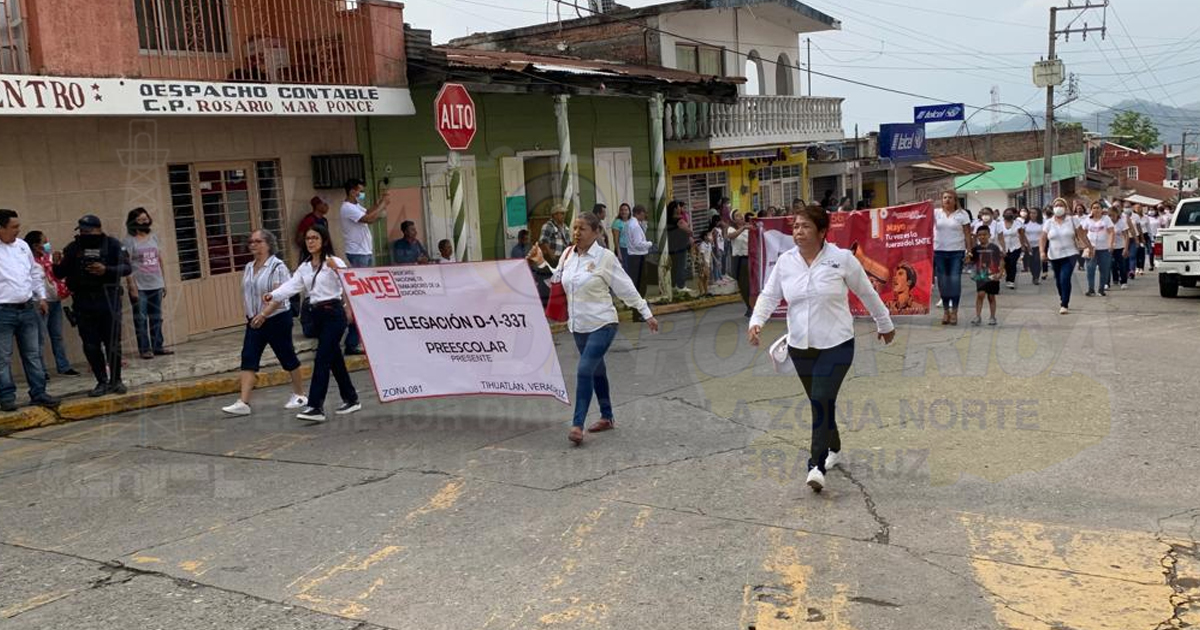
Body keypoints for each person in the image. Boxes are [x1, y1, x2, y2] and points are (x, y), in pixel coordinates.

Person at [747, 205, 895, 493]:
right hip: (800, 346)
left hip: (837, 344)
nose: (799, 232)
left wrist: (884, 323)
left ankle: (815, 465)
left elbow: (866, 291)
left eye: (805, 227)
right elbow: (769, 295)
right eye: (796, 227)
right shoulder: (786, 262)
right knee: (821, 401)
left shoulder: (842, 260)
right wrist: (756, 322)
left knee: (820, 398)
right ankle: (834, 446)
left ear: (822, 232)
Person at [527, 212, 659, 446]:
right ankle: (607, 417)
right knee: (597, 370)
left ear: (596, 232)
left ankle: (577, 424)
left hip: (603, 323)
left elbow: (625, 287)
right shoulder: (568, 254)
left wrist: (645, 312)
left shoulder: (605, 258)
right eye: (574, 228)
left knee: (585, 369)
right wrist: (540, 262)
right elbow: (557, 280)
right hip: (579, 326)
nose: (576, 233)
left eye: (582, 229)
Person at [264, 224, 360, 423]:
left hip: (334, 314)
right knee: (334, 359)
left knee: (322, 359)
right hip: (316, 316)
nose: (310, 242)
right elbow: (292, 286)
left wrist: (350, 309)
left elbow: (349, 283)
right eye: (308, 238)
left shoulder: (333, 262)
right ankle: (351, 398)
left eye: (315, 238)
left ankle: (315, 406)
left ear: (324, 240)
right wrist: (273, 295)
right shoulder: (305, 266)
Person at [221, 229, 308, 416]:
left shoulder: (278, 267)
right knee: (248, 357)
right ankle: (243, 402)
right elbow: (247, 292)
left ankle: (300, 394)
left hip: (276, 318)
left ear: (268, 244)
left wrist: (264, 314)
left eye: (257, 241)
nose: (253, 245)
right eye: (251, 241)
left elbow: (280, 295)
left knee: (286, 355)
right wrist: (253, 314)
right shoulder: (249, 267)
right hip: (254, 320)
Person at [54, 215, 132, 397]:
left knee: (112, 343)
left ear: (98, 229)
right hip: (84, 303)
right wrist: (56, 264)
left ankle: (116, 381)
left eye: (88, 231)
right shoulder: (74, 248)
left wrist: (107, 270)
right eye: (81, 231)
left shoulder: (112, 244)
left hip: (108, 301)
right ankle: (101, 381)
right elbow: (60, 274)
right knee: (90, 345)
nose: (84, 234)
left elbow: (127, 268)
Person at [0, 210, 59, 411]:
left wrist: (41, 296)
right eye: (13, 227)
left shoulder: (23, 246)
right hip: (3, 311)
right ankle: (6, 396)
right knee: (3, 357)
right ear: (1, 228)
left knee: (33, 353)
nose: (18, 230)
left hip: (26, 308)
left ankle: (39, 393)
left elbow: (35, 272)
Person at [340, 178, 391, 356]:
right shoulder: (347, 207)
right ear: (352, 191)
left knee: (366, 298)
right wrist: (383, 204)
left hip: (365, 252)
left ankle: (360, 339)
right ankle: (352, 342)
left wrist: (379, 203)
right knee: (360, 300)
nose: (361, 194)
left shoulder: (355, 206)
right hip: (358, 254)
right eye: (359, 191)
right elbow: (369, 218)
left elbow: (368, 211)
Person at [24, 231, 79, 378]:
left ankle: (63, 366)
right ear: (35, 246)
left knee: (57, 335)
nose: (47, 245)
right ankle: (41, 370)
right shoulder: (29, 261)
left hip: (54, 300)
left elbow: (57, 275)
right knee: (40, 337)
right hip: (39, 302)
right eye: (44, 242)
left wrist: (56, 263)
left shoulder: (48, 258)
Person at [122, 208, 172, 360]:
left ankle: (158, 346)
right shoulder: (129, 240)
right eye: (140, 220)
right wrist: (132, 287)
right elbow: (126, 264)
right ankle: (145, 349)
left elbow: (159, 259)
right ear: (133, 222)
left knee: (156, 317)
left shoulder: (154, 237)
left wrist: (163, 282)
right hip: (140, 286)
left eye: (146, 218)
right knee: (141, 319)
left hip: (156, 284)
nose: (145, 222)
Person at [1040, 198, 1089, 315]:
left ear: (1066, 208)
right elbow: (1042, 238)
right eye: (1056, 205)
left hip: (1070, 254)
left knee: (1065, 278)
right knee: (1058, 281)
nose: (1058, 207)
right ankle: (1063, 297)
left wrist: (1090, 247)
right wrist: (1042, 252)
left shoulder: (1072, 220)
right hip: (1054, 255)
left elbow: (1082, 235)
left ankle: (1064, 304)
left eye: (1061, 205)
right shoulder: (1048, 222)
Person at [934, 190, 973, 326]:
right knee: (943, 282)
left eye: (950, 197)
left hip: (957, 252)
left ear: (955, 200)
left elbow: (968, 234)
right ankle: (946, 311)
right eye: (945, 197)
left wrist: (969, 252)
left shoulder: (963, 214)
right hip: (939, 251)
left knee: (954, 281)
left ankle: (954, 311)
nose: (947, 200)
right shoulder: (936, 213)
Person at [970, 225, 1003, 326]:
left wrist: (1000, 272)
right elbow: (971, 261)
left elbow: (1001, 260)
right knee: (980, 295)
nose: (982, 237)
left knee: (991, 296)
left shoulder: (995, 248)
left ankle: (992, 317)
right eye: (979, 235)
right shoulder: (975, 249)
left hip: (993, 275)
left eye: (984, 235)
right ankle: (977, 316)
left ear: (989, 235)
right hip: (980, 275)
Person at [1081, 201, 1114, 297]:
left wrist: (1110, 244)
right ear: (1091, 210)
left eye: (1098, 207)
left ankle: (1101, 289)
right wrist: (1085, 245)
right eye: (1094, 208)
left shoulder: (1106, 219)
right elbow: (1083, 232)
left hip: (1104, 248)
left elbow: (1111, 232)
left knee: (1104, 269)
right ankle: (1091, 289)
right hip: (1091, 248)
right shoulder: (1087, 219)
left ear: (1101, 209)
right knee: (1090, 269)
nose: (1096, 209)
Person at [624, 205, 653, 300]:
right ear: (638, 213)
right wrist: (649, 244)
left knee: (635, 279)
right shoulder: (635, 226)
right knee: (641, 281)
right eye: (643, 213)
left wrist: (644, 223)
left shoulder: (630, 223)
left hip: (632, 255)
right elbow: (638, 243)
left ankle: (636, 299)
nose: (645, 215)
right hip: (638, 256)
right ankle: (639, 299)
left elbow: (640, 234)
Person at [727, 210, 752, 316]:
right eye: (737, 216)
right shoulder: (732, 228)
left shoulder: (749, 228)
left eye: (741, 214)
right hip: (740, 259)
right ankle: (749, 306)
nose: (740, 216)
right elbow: (731, 236)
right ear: (733, 219)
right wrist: (743, 228)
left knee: (752, 284)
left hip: (750, 258)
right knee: (743, 284)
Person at [997, 208, 1028, 290]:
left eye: (1010, 213)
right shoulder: (999, 224)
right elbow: (998, 237)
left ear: (1013, 215)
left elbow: (1022, 235)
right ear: (1003, 215)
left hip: (1015, 247)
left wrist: (1023, 246)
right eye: (1006, 213)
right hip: (1003, 247)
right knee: (1007, 264)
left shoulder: (1018, 223)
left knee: (1013, 263)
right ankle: (1008, 277)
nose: (1008, 215)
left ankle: (1011, 281)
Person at [666, 200, 692, 291]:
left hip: (671, 247)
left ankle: (673, 285)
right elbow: (689, 230)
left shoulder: (668, 219)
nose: (681, 209)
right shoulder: (679, 220)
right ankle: (681, 286)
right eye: (679, 207)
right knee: (681, 266)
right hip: (680, 246)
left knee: (674, 267)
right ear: (675, 209)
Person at [1109, 205, 1132, 290]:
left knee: (1122, 264)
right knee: (1111, 264)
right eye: (1110, 215)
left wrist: (1126, 248)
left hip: (1120, 246)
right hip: (1110, 246)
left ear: (1117, 214)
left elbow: (1126, 236)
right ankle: (1109, 281)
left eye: (1113, 215)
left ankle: (1124, 281)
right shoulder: (1108, 222)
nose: (1111, 217)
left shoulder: (1122, 222)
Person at [1021, 209, 1043, 286]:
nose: (1032, 214)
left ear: (1038, 214)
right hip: (1029, 246)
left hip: (1039, 245)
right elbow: (1023, 235)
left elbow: (1043, 235)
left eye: (1034, 213)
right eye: (1031, 213)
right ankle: (1033, 275)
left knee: (1037, 261)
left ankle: (1036, 277)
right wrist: (1026, 245)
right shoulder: (1026, 224)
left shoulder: (1041, 224)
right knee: (1031, 263)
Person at [695, 228, 713, 296]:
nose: (710, 236)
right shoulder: (702, 245)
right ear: (705, 237)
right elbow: (702, 255)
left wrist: (715, 260)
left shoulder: (709, 244)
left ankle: (706, 292)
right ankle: (701, 292)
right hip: (702, 264)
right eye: (709, 235)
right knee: (701, 278)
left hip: (707, 263)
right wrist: (704, 264)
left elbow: (711, 253)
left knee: (706, 278)